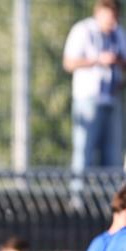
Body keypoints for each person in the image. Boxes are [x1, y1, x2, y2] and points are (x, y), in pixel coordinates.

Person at [63, 0, 126, 184]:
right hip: (87, 100)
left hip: (112, 100)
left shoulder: (118, 33)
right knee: (84, 151)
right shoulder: (83, 31)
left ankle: (109, 201)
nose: (112, 20)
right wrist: (98, 60)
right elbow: (69, 62)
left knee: (112, 154)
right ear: (99, 12)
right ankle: (79, 199)